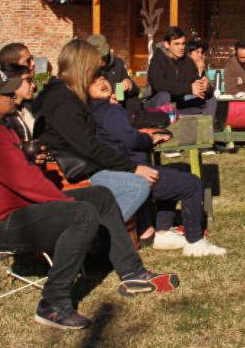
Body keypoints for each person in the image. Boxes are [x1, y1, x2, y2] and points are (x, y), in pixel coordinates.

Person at [0, 68, 179, 330]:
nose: (13, 96)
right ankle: (52, 304)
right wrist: (65, 203)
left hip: (22, 208)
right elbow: (24, 181)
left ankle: (132, 273)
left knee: (100, 195)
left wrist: (33, 159)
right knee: (81, 213)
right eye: (6, 93)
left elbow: (17, 170)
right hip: (2, 223)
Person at [88, 75, 227, 257]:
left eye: (103, 79)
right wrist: (149, 138)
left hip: (121, 171)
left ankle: (162, 232)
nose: (102, 83)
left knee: (173, 175)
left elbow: (121, 136)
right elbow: (130, 139)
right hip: (132, 174)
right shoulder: (109, 112)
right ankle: (195, 242)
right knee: (191, 184)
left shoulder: (96, 111)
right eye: (94, 82)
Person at [32, 39, 156, 221]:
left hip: (79, 165)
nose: (98, 74)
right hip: (69, 174)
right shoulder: (64, 101)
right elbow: (87, 146)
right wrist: (132, 168)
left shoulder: (63, 94)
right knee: (138, 185)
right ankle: (96, 233)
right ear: (84, 69)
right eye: (94, 70)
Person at [146, 27, 216, 117]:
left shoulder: (188, 61)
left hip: (179, 101)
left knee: (210, 99)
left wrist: (206, 87)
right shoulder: (158, 59)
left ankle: (205, 129)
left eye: (183, 44)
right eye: (177, 44)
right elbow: (159, 84)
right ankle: (164, 129)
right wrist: (189, 89)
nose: (181, 47)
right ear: (167, 44)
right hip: (156, 102)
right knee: (164, 95)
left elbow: (195, 83)